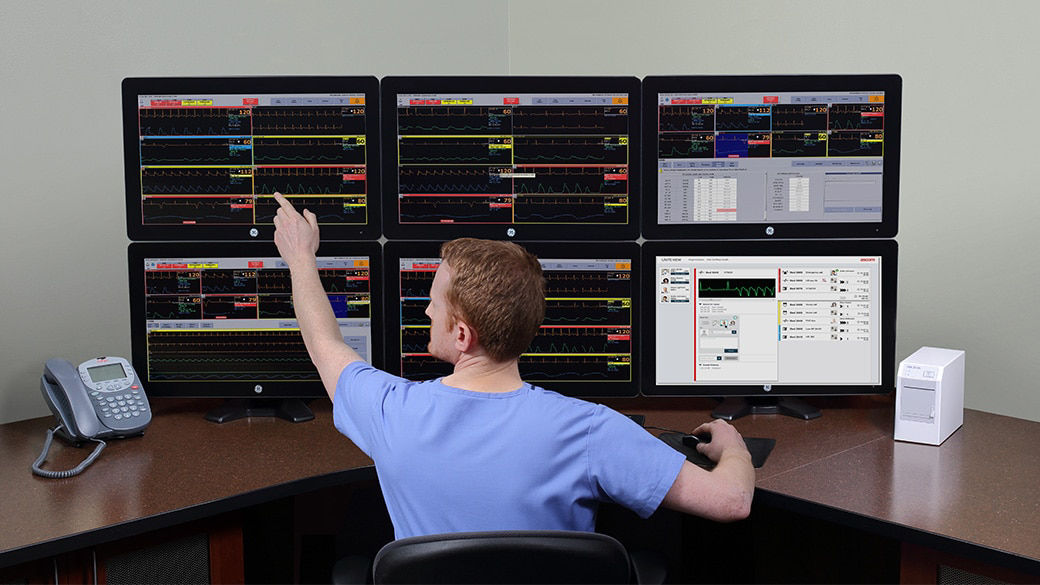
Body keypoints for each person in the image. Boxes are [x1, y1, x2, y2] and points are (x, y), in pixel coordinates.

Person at [271, 192, 754, 539]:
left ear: (462, 335)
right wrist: (733, 448)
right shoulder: (591, 430)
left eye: (434, 303)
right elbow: (731, 503)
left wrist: (300, 258)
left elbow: (324, 342)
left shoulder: (391, 412)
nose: (426, 311)